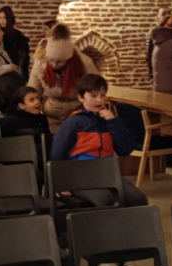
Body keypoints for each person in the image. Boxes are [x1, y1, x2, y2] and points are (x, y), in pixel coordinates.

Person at [50, 74, 147, 208]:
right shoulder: (73, 122)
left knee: (138, 198)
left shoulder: (110, 120)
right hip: (80, 175)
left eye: (102, 95)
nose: (99, 100)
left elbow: (125, 150)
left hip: (107, 173)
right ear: (81, 97)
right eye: (93, 96)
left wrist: (114, 122)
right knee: (106, 200)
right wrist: (61, 182)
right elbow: (57, 153)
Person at [28, 23, 100, 133]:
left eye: (59, 61)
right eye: (51, 60)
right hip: (51, 117)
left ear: (68, 58)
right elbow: (33, 90)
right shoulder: (40, 63)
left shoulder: (84, 63)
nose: (54, 65)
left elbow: (95, 88)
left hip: (78, 115)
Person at [0, 86, 51, 169]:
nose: (37, 102)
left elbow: (47, 141)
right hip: (22, 164)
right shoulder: (10, 122)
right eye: (32, 100)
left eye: (38, 98)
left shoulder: (42, 119)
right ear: (22, 106)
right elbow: (8, 149)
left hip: (43, 160)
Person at [0, 6, 31, 82]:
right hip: (1, 71)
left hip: (16, 71)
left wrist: (20, 72)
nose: (1, 20)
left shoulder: (18, 35)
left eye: (4, 18)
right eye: (0, 18)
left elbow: (23, 56)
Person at [145, 7, 172, 82]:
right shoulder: (153, 33)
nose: (167, 15)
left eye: (169, 13)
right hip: (161, 73)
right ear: (158, 18)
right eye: (163, 14)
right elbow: (149, 56)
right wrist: (152, 75)